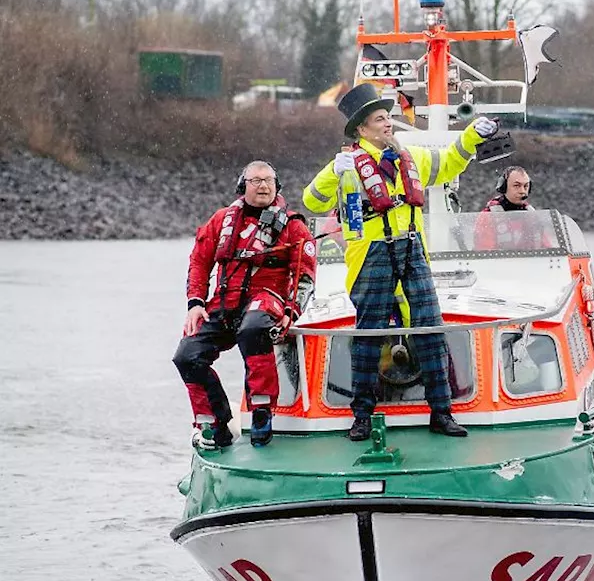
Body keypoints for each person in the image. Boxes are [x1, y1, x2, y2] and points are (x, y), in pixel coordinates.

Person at [303, 82, 498, 441]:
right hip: (369, 255)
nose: (388, 124)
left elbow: (449, 163)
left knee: (430, 328)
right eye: (380, 119)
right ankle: (361, 416)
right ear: (362, 129)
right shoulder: (344, 166)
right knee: (368, 337)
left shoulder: (413, 157)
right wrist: (333, 172)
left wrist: (470, 137)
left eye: (388, 117)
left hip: (412, 250)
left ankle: (442, 412)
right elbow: (312, 201)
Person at [174, 161, 317, 450]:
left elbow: (306, 276)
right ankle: (216, 423)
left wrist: (292, 312)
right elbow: (199, 262)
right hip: (224, 304)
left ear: (277, 186)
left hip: (267, 302)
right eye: (255, 181)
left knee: (252, 329)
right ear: (243, 186)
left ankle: (262, 410)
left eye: (268, 180)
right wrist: (196, 303)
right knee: (187, 355)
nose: (263, 186)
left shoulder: (293, 227)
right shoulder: (221, 220)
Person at [474, 166, 555, 250]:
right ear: (503, 187)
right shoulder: (488, 216)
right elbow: (484, 254)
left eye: (526, 186)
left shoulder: (533, 217)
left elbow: (548, 249)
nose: (522, 191)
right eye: (517, 186)